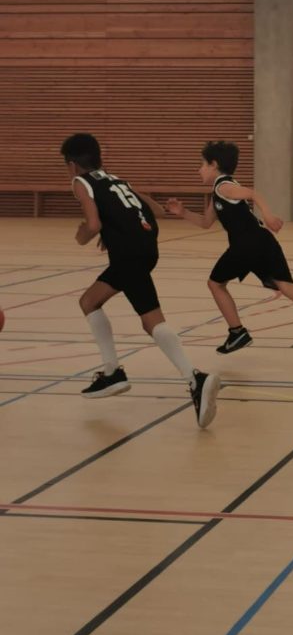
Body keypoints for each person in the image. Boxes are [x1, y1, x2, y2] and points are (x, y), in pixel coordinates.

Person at [60, 133, 220, 428]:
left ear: (71, 164)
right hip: (145, 248)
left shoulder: (80, 182)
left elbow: (92, 224)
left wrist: (83, 235)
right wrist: (116, 229)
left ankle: (195, 378)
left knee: (152, 322)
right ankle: (112, 373)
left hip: (129, 255)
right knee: (89, 301)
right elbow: (155, 210)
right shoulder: (116, 179)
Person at [166, 141, 293, 361]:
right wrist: (182, 212)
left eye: (202, 164)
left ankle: (237, 332)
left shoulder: (223, 187)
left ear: (214, 164)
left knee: (215, 284)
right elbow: (206, 222)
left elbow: (252, 193)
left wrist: (268, 215)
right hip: (263, 241)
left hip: (246, 243)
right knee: (286, 285)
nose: (198, 169)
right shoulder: (220, 190)